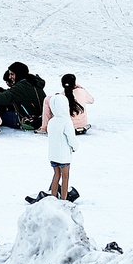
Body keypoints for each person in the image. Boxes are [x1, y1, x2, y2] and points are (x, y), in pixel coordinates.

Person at [32, 75, 82, 203]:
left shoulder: (52, 121)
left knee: (56, 175)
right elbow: (71, 138)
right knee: (65, 178)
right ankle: (64, 199)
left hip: (53, 155)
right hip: (64, 156)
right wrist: (75, 147)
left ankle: (53, 198)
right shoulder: (66, 121)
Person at [0, 62, 47, 130]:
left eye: (12, 74)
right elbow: (14, 95)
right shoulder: (32, 81)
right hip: (39, 116)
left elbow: (5, 97)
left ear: (19, 74)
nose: (10, 77)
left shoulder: (22, 86)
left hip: (25, 119)